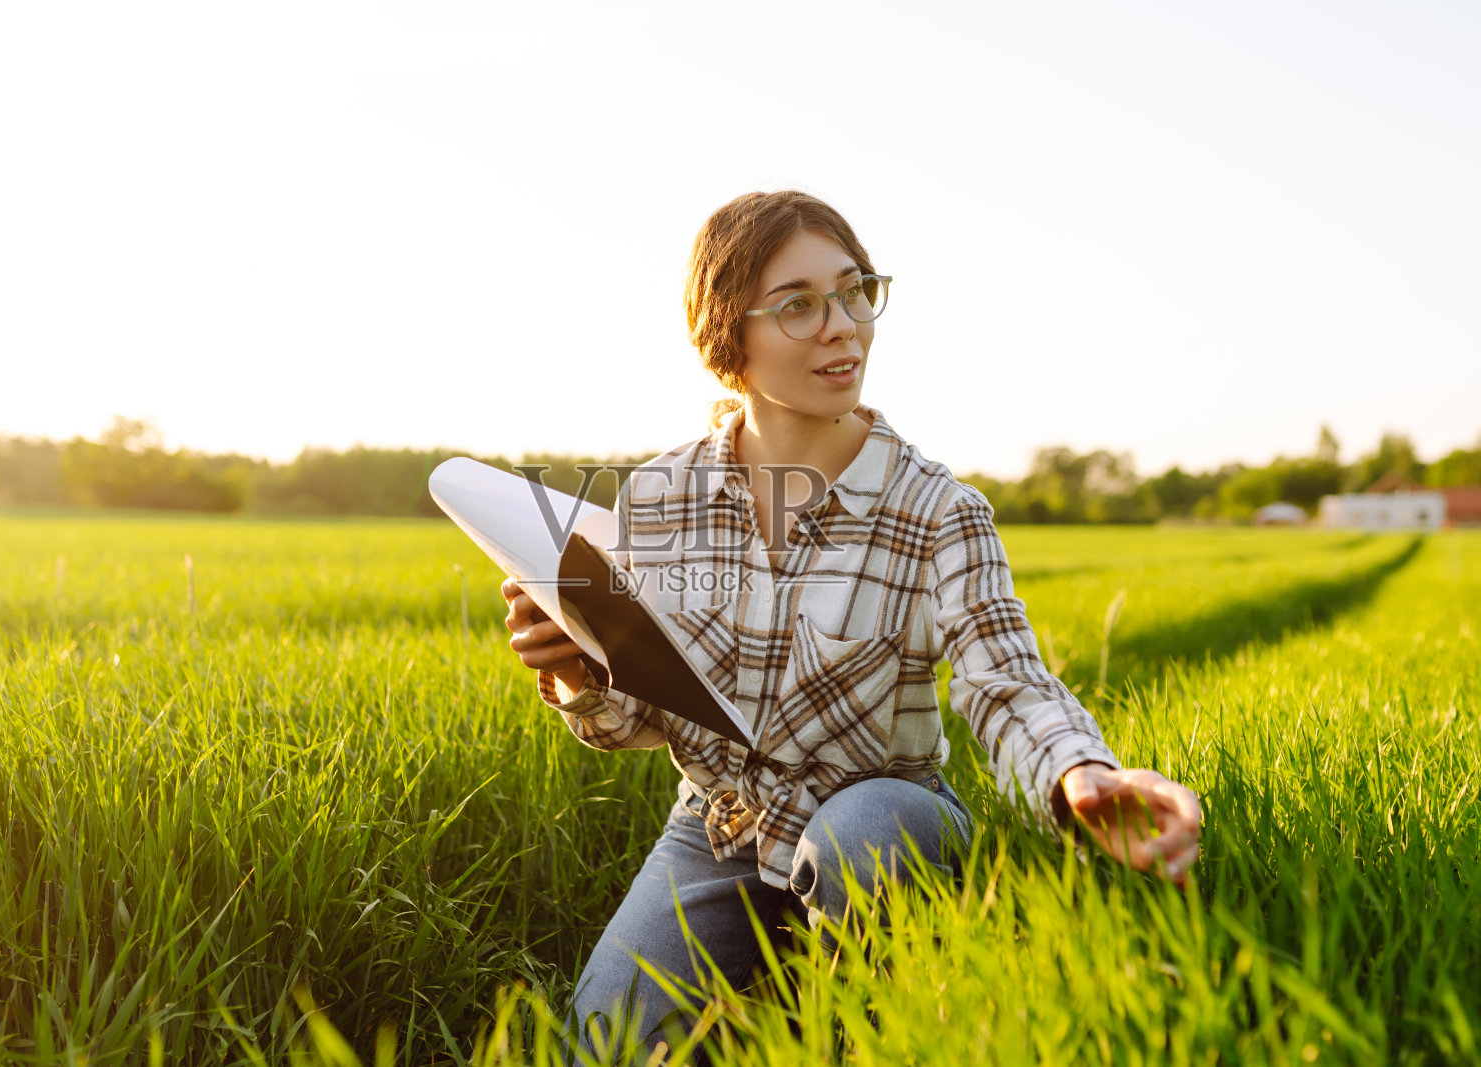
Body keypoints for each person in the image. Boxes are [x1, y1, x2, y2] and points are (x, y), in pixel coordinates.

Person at [500, 190, 1202, 1060]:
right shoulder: (657, 499)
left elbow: (1007, 680)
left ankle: (873, 1016)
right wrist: (577, 668)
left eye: (854, 291)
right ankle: (777, 963)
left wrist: (1079, 773)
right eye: (798, 304)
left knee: (861, 834)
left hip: (886, 819)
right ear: (727, 335)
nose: (843, 326)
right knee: (605, 1045)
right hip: (721, 826)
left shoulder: (938, 509)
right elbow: (642, 715)